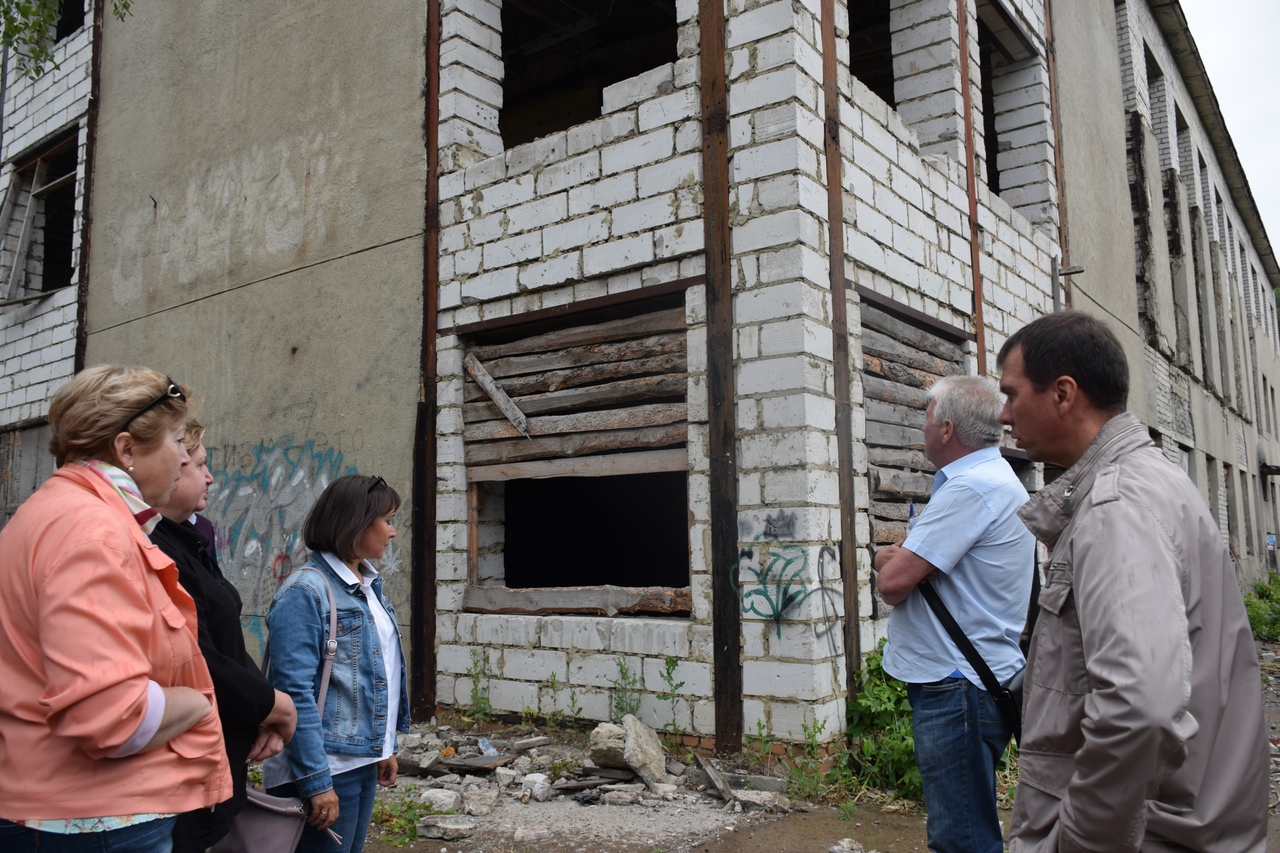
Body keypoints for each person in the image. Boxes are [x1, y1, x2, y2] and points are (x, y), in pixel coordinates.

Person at [997, 310, 1268, 851]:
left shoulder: (1117, 509)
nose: (1004, 415)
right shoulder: (1154, 480)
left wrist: (1074, 843)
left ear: (1063, 393)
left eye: (1011, 394)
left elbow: (1139, 711)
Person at [0, 366, 232, 852]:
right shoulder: (95, 532)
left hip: (59, 805)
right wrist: (197, 700)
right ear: (127, 450)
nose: (182, 458)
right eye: (175, 442)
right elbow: (111, 717)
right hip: (97, 821)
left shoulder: (53, 512)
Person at [871, 374, 1035, 853]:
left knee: (960, 838)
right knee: (969, 825)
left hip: (957, 687)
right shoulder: (996, 481)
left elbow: (893, 583)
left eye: (926, 416)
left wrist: (889, 558)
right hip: (975, 681)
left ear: (945, 430)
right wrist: (909, 562)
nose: (920, 426)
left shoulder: (971, 489)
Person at [150, 420, 298, 852]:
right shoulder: (155, 546)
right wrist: (274, 705)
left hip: (212, 760)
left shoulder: (193, 537)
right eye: (198, 464)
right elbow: (195, 655)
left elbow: (225, 639)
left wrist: (259, 706)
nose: (210, 476)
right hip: (182, 772)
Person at [264, 474, 411, 853]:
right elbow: (293, 692)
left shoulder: (368, 587)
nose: (392, 532)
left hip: (359, 761)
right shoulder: (305, 591)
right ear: (356, 524)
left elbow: (372, 681)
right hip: (325, 768)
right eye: (387, 520)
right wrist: (316, 781)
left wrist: (384, 746)